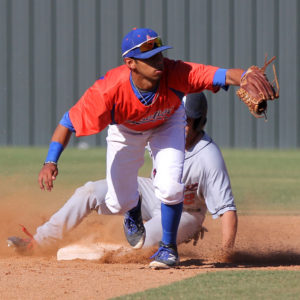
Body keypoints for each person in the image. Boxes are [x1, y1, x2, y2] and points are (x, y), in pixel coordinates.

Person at [8, 27, 245, 268]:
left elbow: (222, 74)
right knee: (113, 200)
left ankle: (167, 248)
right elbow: (68, 122)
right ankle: (42, 241)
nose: (158, 61)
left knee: (172, 186)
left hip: (168, 133)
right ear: (130, 63)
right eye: (149, 58)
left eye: (159, 54)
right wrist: (50, 161)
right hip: (126, 131)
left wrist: (246, 77)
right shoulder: (108, 91)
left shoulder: (176, 76)